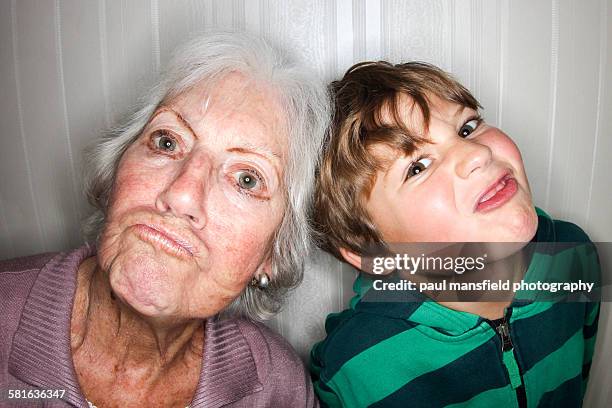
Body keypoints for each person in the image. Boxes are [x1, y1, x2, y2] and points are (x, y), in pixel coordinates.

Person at [0, 32, 328, 407]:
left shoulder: (277, 387)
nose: (182, 194)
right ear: (115, 175)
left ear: (273, 253)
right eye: (167, 142)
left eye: (247, 179)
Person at [310, 61, 600, 407]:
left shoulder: (574, 257)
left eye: (467, 127)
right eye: (417, 166)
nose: (476, 153)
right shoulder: (351, 370)